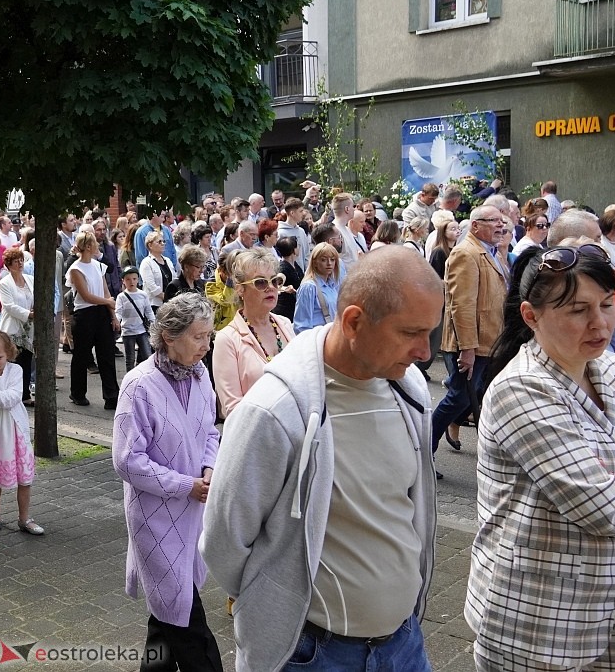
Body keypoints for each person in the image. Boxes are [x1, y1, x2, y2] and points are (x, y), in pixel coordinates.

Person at [202, 247, 443, 672]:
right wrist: (275, 602)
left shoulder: (410, 391)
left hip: (405, 645)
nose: (425, 352)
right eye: (411, 333)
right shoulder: (274, 409)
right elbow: (224, 540)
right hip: (312, 655)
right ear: (353, 321)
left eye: (431, 333)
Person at [468, 242, 615, 670]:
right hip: (537, 624)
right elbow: (607, 509)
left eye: (606, 304)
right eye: (578, 310)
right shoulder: (521, 389)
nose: (600, 323)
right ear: (531, 316)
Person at [112, 293, 222, 671]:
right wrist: (186, 485)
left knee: (166, 619)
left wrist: (208, 470)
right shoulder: (138, 385)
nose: (206, 347)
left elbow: (210, 431)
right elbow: (128, 461)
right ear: (169, 336)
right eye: (198, 337)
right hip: (155, 520)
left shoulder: (200, 374)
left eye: (209, 336)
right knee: (188, 622)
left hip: (193, 513)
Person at [433, 206, 508, 468]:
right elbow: (461, 305)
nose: (501, 226)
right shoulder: (466, 253)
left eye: (503, 222)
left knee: (467, 396)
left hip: (488, 342)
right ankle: (422, 449)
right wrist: (467, 348)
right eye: (494, 222)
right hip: (470, 344)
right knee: (460, 397)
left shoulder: (492, 251)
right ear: (476, 226)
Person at [213, 248, 297, 418]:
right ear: (240, 289)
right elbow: (232, 408)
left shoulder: (285, 325)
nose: (270, 288)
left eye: (275, 281)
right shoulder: (227, 339)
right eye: (260, 282)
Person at [0, 331, 42, 537]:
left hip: (15, 430)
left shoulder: (16, 370)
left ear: (9, 354)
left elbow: (12, 398)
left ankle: (24, 517)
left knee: (24, 477)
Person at [67, 231, 121, 410]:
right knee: (81, 355)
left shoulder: (98, 265)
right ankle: (78, 392)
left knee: (106, 354)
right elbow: (86, 295)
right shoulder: (76, 269)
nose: (98, 245)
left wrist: (112, 315)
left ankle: (112, 395)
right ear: (88, 246)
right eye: (94, 243)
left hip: (101, 313)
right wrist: (107, 301)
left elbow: (105, 290)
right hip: (84, 315)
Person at [0, 247, 34, 404]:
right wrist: (29, 314)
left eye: (21, 260)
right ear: (8, 265)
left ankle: (25, 395)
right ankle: (10, 394)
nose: (20, 263)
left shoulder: (30, 279)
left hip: (29, 328)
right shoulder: (5, 283)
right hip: (13, 328)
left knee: (26, 361)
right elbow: (9, 306)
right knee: (13, 362)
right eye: (16, 261)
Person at [293, 242, 341, 334]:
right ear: (314, 262)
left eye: (332, 260)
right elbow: (301, 325)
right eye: (323, 260)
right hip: (316, 339)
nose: (329, 263)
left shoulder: (332, 285)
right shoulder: (309, 287)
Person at [115, 266, 154, 374]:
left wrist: (153, 322)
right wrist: (117, 321)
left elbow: (148, 311)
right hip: (127, 331)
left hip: (141, 330)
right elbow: (118, 311)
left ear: (138, 279)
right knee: (130, 359)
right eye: (128, 279)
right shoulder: (121, 297)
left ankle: (147, 376)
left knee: (147, 356)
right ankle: (130, 379)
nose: (131, 282)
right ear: (123, 281)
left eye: (134, 279)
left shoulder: (143, 295)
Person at [139, 230, 177, 313]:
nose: (163, 243)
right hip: (155, 305)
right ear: (150, 245)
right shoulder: (146, 263)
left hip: (171, 304)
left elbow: (174, 279)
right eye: (159, 242)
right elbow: (151, 286)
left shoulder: (168, 260)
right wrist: (167, 297)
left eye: (163, 241)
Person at [274, 237, 302, 322]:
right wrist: (285, 289)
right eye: (297, 247)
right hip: (286, 309)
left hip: (295, 305)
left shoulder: (295, 264)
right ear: (293, 250)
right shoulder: (283, 268)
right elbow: (276, 284)